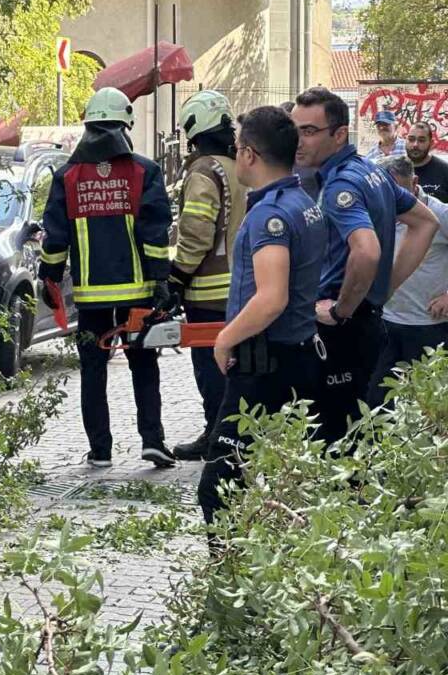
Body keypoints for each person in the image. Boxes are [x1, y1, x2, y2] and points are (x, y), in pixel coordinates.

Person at [198, 105, 325, 527]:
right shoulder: (303, 202)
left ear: (249, 154)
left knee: (218, 488)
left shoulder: (270, 214)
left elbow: (272, 298)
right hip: (296, 357)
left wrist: (225, 338)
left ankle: (228, 567)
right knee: (283, 484)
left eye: (237, 147)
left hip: (264, 367)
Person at [290, 87, 439, 447]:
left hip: (339, 329)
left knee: (334, 442)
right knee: (358, 434)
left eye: (309, 131)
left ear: (340, 134)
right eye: (294, 130)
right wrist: (382, 288)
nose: (298, 141)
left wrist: (342, 309)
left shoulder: (342, 184)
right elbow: (425, 223)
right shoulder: (371, 171)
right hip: (365, 322)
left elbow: (367, 251)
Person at [39, 87, 176, 469]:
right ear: (125, 124)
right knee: (143, 365)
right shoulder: (144, 171)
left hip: (90, 299)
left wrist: (49, 279)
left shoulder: (67, 176)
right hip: (138, 295)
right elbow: (155, 234)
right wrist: (161, 281)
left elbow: (55, 239)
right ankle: (153, 441)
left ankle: (100, 450)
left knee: (93, 371)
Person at [166, 91, 247, 461]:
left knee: (210, 369)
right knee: (235, 367)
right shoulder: (240, 167)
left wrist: (176, 278)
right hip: (242, 288)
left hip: (208, 293)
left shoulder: (203, 171)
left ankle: (216, 438)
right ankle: (234, 435)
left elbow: (197, 232)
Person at [368, 155, 448, 402]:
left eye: (397, 192)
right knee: (376, 402)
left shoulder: (440, 214)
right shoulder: (378, 212)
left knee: (426, 405)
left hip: (429, 326)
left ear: (414, 183)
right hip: (386, 322)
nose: (391, 201)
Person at [405, 120, 448, 203]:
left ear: (431, 143)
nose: (415, 145)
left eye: (421, 140)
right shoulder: (394, 170)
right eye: (411, 139)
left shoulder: (445, 171)